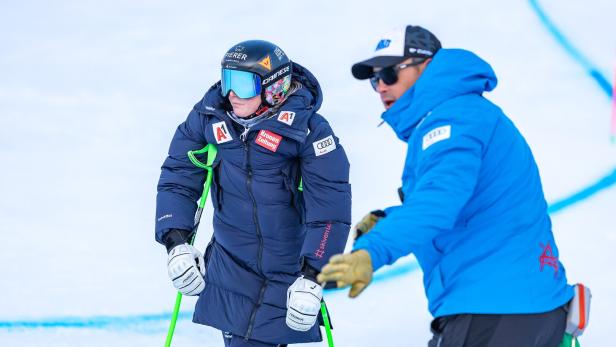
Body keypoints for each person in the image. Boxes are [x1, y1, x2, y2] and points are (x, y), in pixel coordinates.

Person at [317, 25, 574, 346]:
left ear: (425, 65)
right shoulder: (465, 114)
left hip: (495, 308)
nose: (381, 86)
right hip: (526, 306)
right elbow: (467, 203)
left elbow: (437, 204)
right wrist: (392, 219)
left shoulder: (452, 119)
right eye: (374, 79)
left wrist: (371, 253)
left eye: (389, 73)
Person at [155, 40, 351, 347]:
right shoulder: (210, 117)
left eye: (243, 84)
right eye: (227, 80)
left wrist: (314, 275)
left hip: (285, 277)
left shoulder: (309, 132)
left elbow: (330, 212)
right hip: (230, 269)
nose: (231, 93)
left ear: (274, 88)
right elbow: (178, 175)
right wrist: (175, 242)